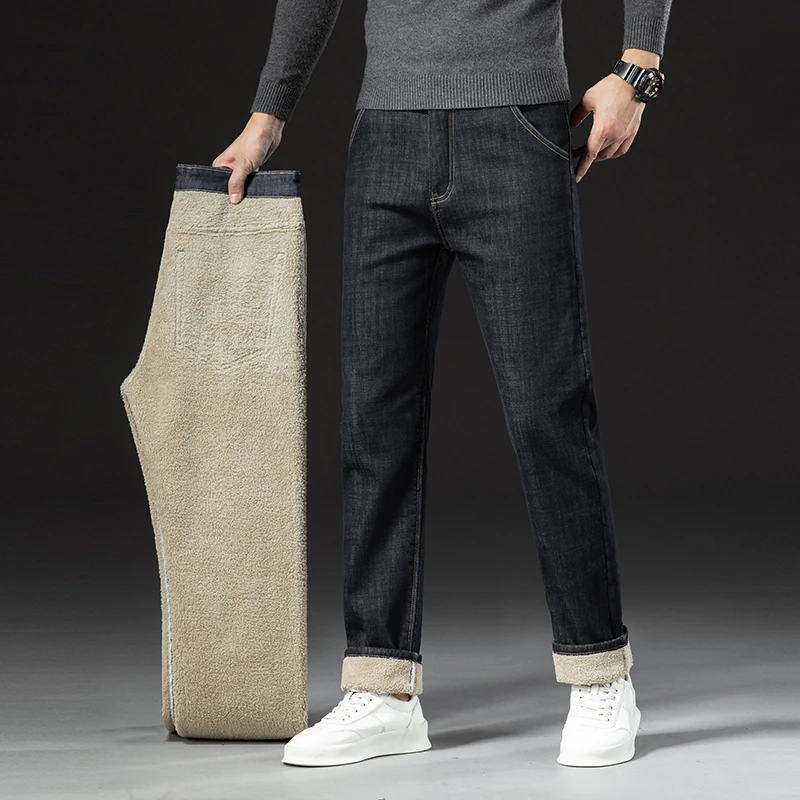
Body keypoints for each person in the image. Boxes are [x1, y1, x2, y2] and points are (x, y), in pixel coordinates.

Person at [213, 0, 672, 768]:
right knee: (373, 420)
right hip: (386, 133)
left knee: (549, 410)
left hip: (516, 127)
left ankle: (600, 675)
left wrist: (640, 68)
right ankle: (383, 688)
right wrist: (268, 115)